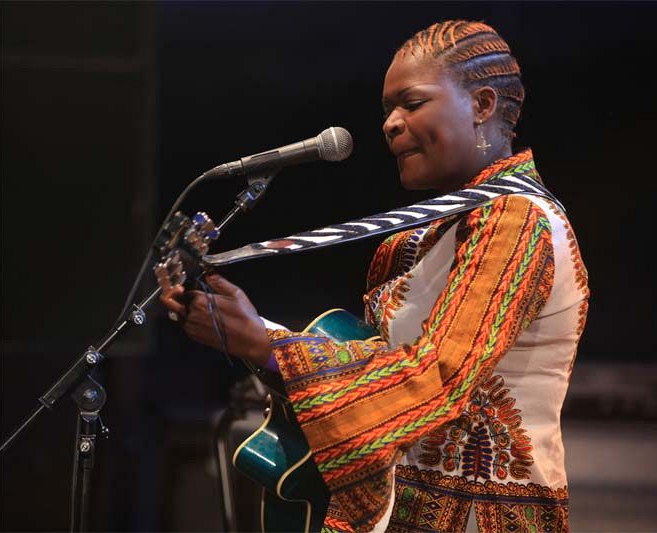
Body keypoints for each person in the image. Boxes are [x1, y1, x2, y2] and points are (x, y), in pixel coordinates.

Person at [162, 20, 588, 533]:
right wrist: (246, 331)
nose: (390, 124)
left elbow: (437, 376)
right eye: (388, 109)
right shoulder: (429, 233)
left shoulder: (517, 221)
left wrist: (266, 345)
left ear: (482, 105)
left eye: (412, 103)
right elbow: (376, 364)